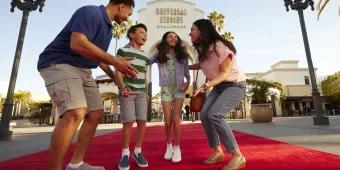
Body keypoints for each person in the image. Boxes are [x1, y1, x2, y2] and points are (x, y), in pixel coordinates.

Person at [37, 1, 138, 170]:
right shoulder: (91, 12)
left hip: (83, 69)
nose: (128, 18)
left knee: (96, 113)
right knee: (75, 111)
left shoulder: (108, 30)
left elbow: (98, 58)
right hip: (60, 63)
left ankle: (76, 164)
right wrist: (115, 60)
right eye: (129, 13)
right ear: (121, 6)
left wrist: (115, 79)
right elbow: (77, 43)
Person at [189, 19, 247, 170]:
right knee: (204, 114)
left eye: (193, 29)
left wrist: (206, 85)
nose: (190, 33)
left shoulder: (219, 46)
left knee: (215, 115)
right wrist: (185, 66)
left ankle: (237, 155)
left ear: (201, 30)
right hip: (218, 86)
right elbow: (201, 65)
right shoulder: (204, 49)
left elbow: (225, 72)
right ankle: (217, 151)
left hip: (234, 85)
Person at [149, 32, 191, 163]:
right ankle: (169, 146)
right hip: (165, 89)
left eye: (175, 37)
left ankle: (177, 148)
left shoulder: (182, 55)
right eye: (170, 36)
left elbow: (187, 74)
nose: (173, 38)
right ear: (165, 40)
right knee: (167, 121)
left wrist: (188, 82)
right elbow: (148, 61)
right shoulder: (159, 54)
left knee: (176, 118)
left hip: (179, 89)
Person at [115, 23, 149, 170]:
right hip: (127, 91)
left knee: (142, 121)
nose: (144, 35)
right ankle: (124, 154)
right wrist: (122, 87)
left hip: (142, 92)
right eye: (141, 32)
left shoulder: (145, 55)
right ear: (131, 34)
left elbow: (145, 74)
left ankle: (137, 151)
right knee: (128, 122)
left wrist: (146, 91)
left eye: (145, 33)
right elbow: (118, 71)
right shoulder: (122, 51)